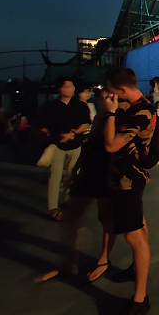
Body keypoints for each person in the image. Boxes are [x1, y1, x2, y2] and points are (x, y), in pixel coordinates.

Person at [34, 89, 116, 284]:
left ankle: (104, 260)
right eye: (102, 97)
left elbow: (111, 147)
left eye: (107, 97)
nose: (102, 100)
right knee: (70, 217)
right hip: (88, 173)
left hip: (105, 175)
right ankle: (68, 261)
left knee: (106, 219)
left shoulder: (114, 119)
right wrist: (75, 171)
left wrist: (112, 115)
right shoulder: (98, 119)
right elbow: (90, 147)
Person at [104, 68, 156, 315]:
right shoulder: (135, 107)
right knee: (139, 225)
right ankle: (137, 267)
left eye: (112, 91)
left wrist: (110, 112)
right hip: (124, 178)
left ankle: (140, 298)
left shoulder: (142, 111)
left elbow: (111, 144)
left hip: (129, 179)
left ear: (122, 90)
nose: (109, 95)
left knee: (133, 236)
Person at [37, 77, 91, 221]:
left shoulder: (80, 106)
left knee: (73, 175)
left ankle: (67, 200)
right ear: (59, 89)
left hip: (75, 144)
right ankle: (52, 208)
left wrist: (72, 134)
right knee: (55, 176)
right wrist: (54, 135)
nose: (70, 89)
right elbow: (41, 126)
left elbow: (86, 123)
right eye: (66, 87)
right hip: (57, 145)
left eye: (72, 87)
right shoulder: (50, 107)